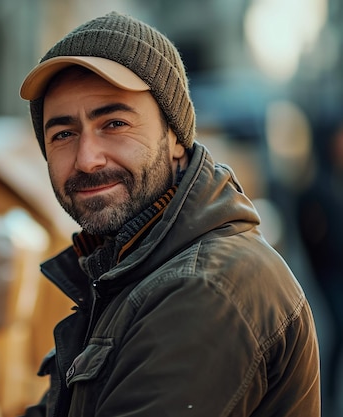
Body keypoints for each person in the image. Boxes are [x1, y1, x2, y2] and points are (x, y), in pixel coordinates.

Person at [17, 11, 321, 417]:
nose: (87, 158)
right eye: (63, 134)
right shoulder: (131, 269)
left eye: (115, 123)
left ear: (176, 137)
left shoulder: (204, 290)